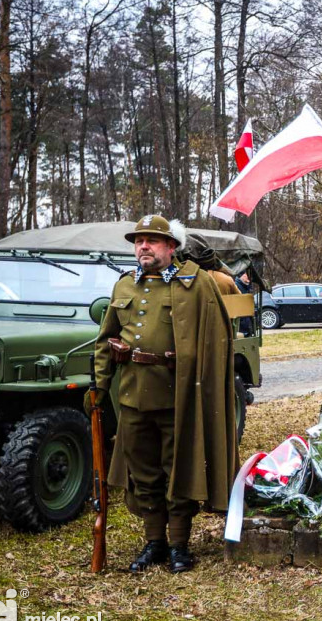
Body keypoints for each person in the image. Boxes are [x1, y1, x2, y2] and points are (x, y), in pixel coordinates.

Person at [91, 215, 237, 574]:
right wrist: (99, 385)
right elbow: (105, 340)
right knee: (144, 474)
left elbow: (215, 340)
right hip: (132, 397)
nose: (143, 247)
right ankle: (154, 542)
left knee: (178, 472)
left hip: (178, 397)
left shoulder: (195, 284)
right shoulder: (124, 286)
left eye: (152, 241)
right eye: (139, 241)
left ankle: (178, 545)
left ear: (171, 247)